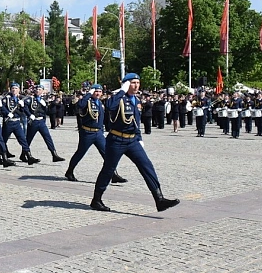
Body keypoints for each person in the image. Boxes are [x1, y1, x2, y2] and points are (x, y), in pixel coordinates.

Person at [90, 73, 179, 213]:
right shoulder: (118, 97)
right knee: (108, 170)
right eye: (133, 82)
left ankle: (159, 199)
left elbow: (136, 122)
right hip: (117, 140)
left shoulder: (136, 100)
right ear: (126, 84)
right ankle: (96, 199)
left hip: (132, 140)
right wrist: (122, 90)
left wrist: (139, 138)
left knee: (147, 166)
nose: (136, 85)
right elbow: (110, 107)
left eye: (138, 82)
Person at [65, 84, 125, 183]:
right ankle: (69, 171)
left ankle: (113, 174)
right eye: (96, 91)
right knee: (80, 153)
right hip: (87, 132)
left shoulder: (100, 103)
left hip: (98, 133)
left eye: (100, 92)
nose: (98, 93)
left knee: (108, 154)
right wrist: (88, 94)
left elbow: (103, 118)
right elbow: (79, 105)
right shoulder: (87, 101)